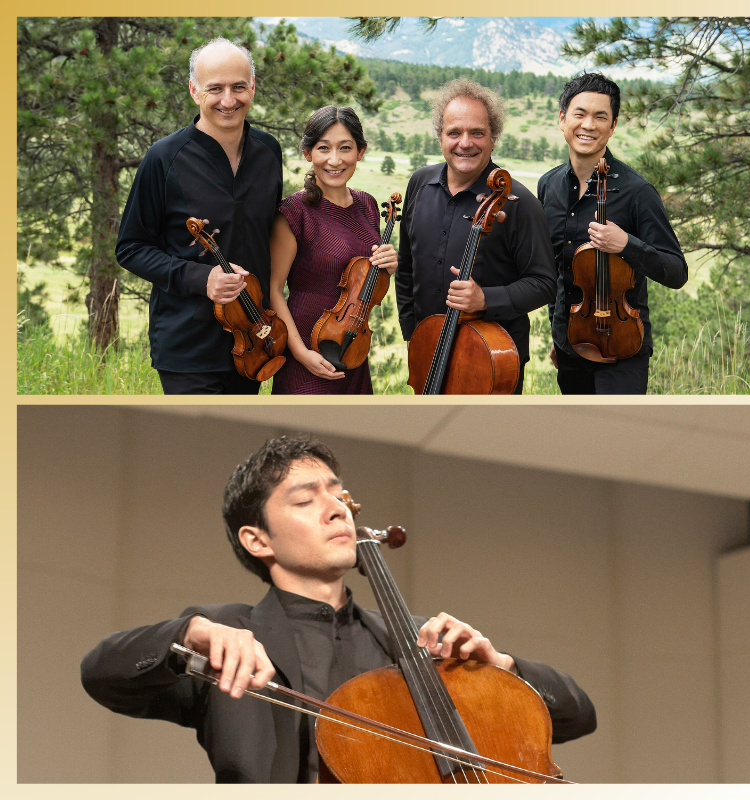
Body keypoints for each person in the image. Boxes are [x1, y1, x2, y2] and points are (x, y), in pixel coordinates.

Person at [81, 436, 597, 783]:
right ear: (258, 540)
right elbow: (102, 673)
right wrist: (189, 632)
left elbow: (578, 715)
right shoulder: (229, 637)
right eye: (305, 501)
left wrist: (502, 670)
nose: (337, 509)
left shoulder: (421, 646)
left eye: (339, 494)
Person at [115, 37, 283, 395]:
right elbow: (130, 248)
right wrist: (201, 277)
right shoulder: (163, 158)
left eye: (239, 87)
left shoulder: (269, 152)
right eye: (215, 88)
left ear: (253, 87)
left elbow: (269, 236)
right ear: (194, 90)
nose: (229, 100)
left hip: (254, 341)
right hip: (187, 346)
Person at [395, 78, 557, 394]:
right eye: (454, 132)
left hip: (492, 365)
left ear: (493, 138)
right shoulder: (419, 184)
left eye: (477, 133)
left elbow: (544, 283)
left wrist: (485, 299)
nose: (465, 143)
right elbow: (406, 269)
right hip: (427, 353)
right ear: (440, 137)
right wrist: (411, 335)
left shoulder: (518, 203)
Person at [538, 72, 688, 395]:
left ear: (613, 125)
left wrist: (626, 245)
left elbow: (677, 271)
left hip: (623, 349)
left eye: (600, 117)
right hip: (571, 347)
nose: (588, 125)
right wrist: (559, 333)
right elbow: (555, 271)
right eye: (579, 114)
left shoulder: (637, 192)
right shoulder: (548, 186)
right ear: (562, 119)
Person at [269, 107, 397, 394]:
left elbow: (363, 286)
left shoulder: (367, 205)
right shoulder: (294, 211)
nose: (335, 160)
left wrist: (388, 266)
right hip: (306, 350)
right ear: (307, 153)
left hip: (351, 346)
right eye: (324, 148)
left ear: (360, 152)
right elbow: (273, 289)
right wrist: (301, 353)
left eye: (345, 148)